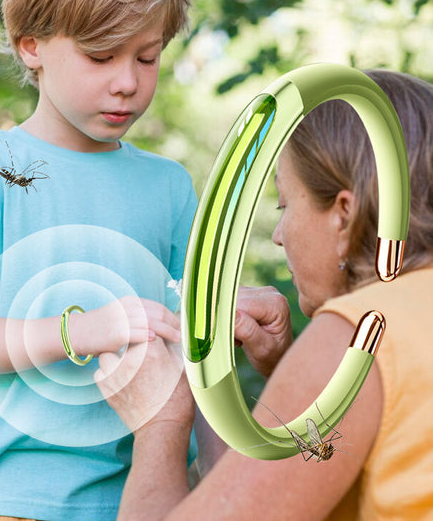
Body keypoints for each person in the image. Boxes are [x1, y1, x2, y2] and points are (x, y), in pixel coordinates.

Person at [0, 0, 204, 520]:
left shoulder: (171, 187)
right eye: (101, 56)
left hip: (149, 497)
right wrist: (80, 332)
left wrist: (223, 320)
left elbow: (186, 345)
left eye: (147, 57)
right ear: (31, 46)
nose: (128, 81)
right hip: (16, 503)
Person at [96, 69, 433, 520]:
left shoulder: (357, 335)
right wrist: (284, 370)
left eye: (284, 204)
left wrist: (158, 424)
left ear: (344, 215)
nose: (277, 235)